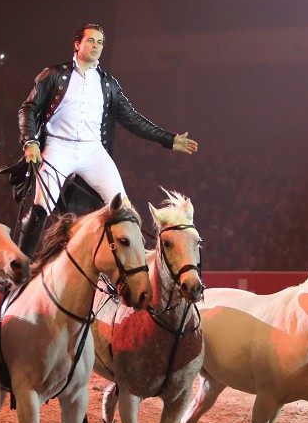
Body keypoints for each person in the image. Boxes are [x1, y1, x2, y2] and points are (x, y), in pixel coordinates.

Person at [13, 23, 198, 257]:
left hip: (93, 152)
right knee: (41, 207)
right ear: (77, 44)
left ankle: (139, 266)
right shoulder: (54, 75)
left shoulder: (107, 83)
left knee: (125, 209)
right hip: (57, 147)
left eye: (100, 43)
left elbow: (132, 119)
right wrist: (29, 141)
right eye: (91, 41)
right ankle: (19, 267)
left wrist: (169, 139)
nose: (96, 46)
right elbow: (28, 108)